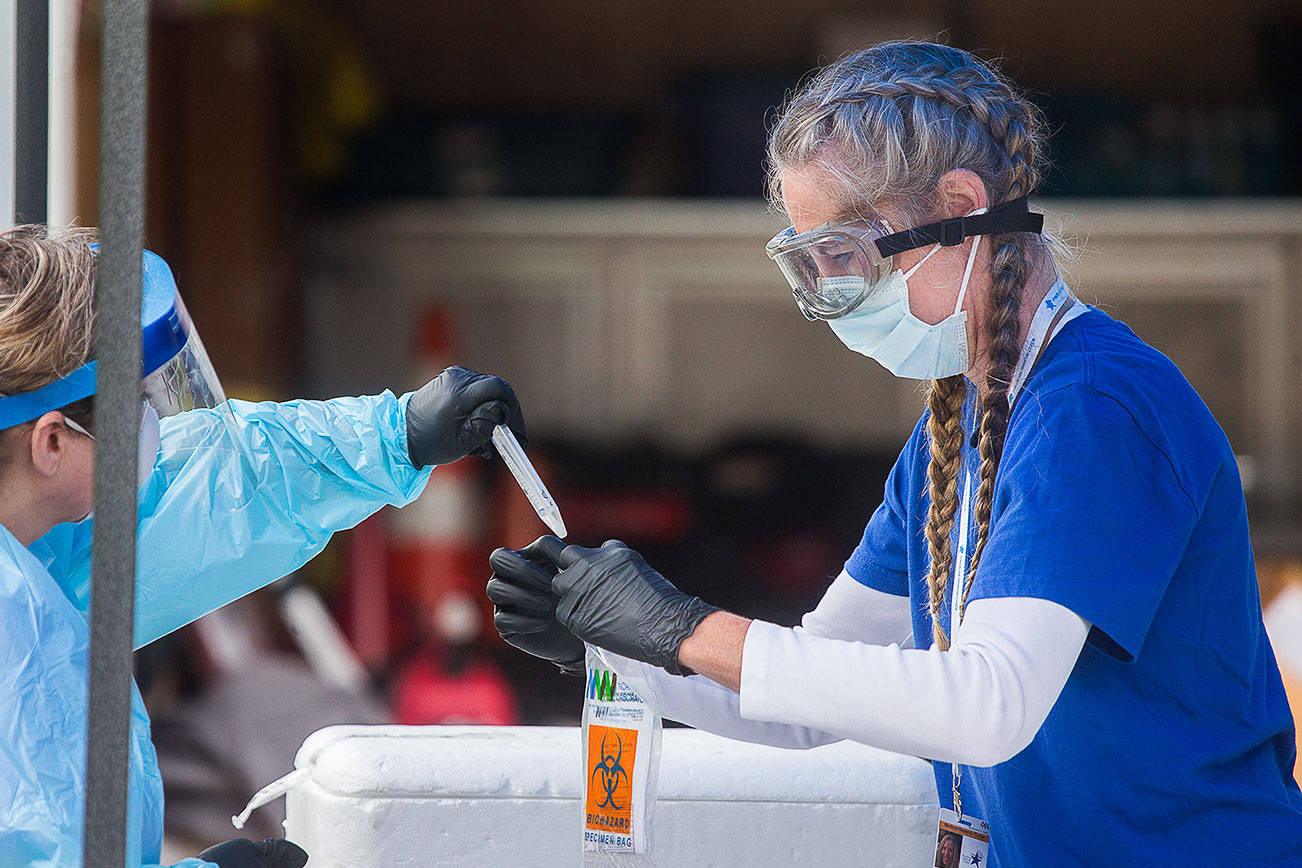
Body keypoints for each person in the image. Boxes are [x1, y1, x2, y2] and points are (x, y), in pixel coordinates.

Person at [486, 41, 1302, 865]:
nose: (829, 295)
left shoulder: (1093, 407)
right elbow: (812, 697)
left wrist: (685, 627)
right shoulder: (950, 434)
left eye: (843, 255)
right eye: (808, 264)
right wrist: (627, 649)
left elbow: (988, 704)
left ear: (958, 205)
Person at [0, 225, 528, 867]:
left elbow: (208, 492)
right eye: (136, 407)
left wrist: (395, 436)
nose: (158, 432)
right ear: (50, 442)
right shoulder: (14, 629)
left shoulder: (40, 545)